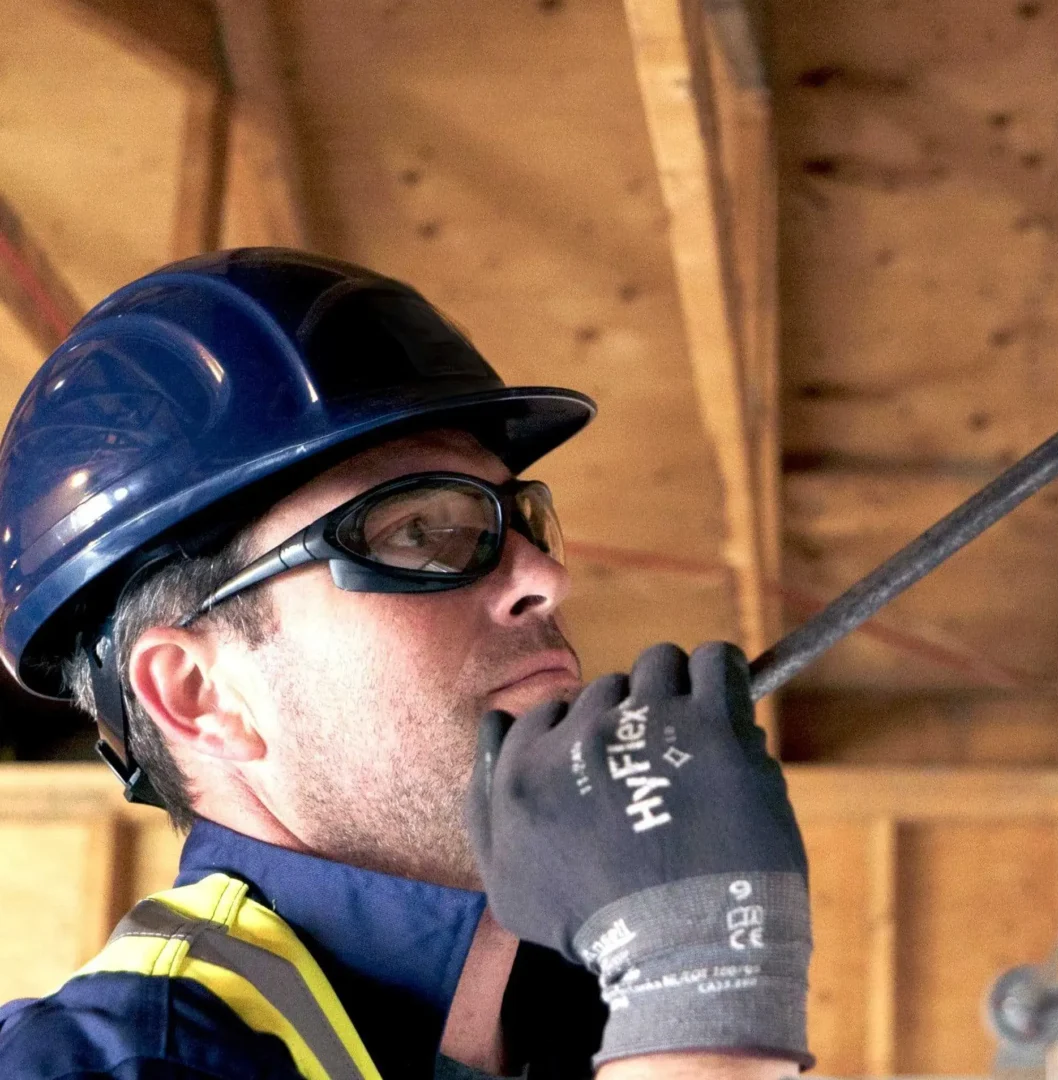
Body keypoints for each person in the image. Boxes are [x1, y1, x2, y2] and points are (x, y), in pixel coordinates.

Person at [0, 249, 811, 1080]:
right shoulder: (104, 1065)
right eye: (417, 532)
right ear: (200, 695)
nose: (544, 576)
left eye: (520, 519)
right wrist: (704, 1000)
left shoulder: (599, 1022)